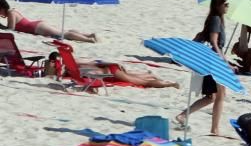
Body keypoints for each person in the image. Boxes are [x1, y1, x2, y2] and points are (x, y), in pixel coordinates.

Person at [176, 0, 228, 135]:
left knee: (212, 97)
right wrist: (222, 59)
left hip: (210, 58)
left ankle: (183, 115)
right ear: (218, 6)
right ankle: (215, 129)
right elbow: (214, 42)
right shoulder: (216, 19)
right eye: (225, 4)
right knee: (220, 95)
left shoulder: (215, 19)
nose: (227, 7)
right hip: (213, 60)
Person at [44, 50, 179, 88]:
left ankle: (171, 84)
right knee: (136, 78)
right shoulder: (73, 62)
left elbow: (91, 67)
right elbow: (93, 61)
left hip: (109, 71)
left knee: (141, 83)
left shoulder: (70, 66)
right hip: (109, 68)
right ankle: (152, 76)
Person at [0, 0, 97, 43]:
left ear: (2, 8)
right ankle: (88, 35)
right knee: (64, 31)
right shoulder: (12, 11)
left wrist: (1, 26)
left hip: (37, 28)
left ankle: (88, 39)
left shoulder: (11, 14)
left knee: (64, 34)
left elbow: (11, 29)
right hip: (37, 26)